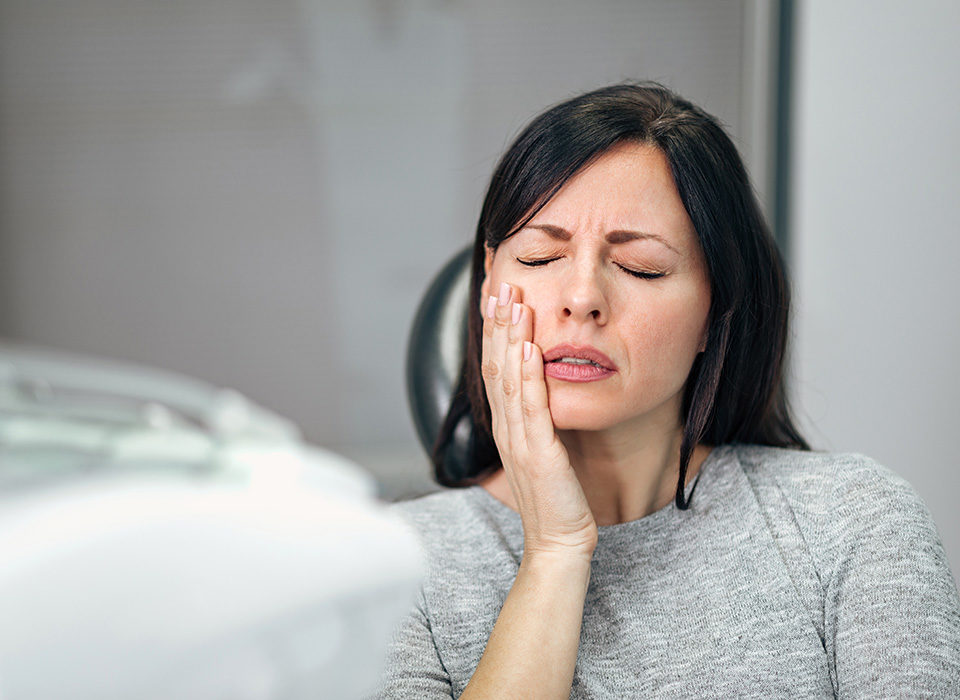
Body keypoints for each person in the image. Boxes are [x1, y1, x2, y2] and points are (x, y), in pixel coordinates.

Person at [372, 83, 960, 698]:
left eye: (640, 268)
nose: (581, 299)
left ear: (715, 309)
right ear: (490, 277)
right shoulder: (388, 567)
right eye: (542, 257)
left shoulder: (852, 521)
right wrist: (553, 553)